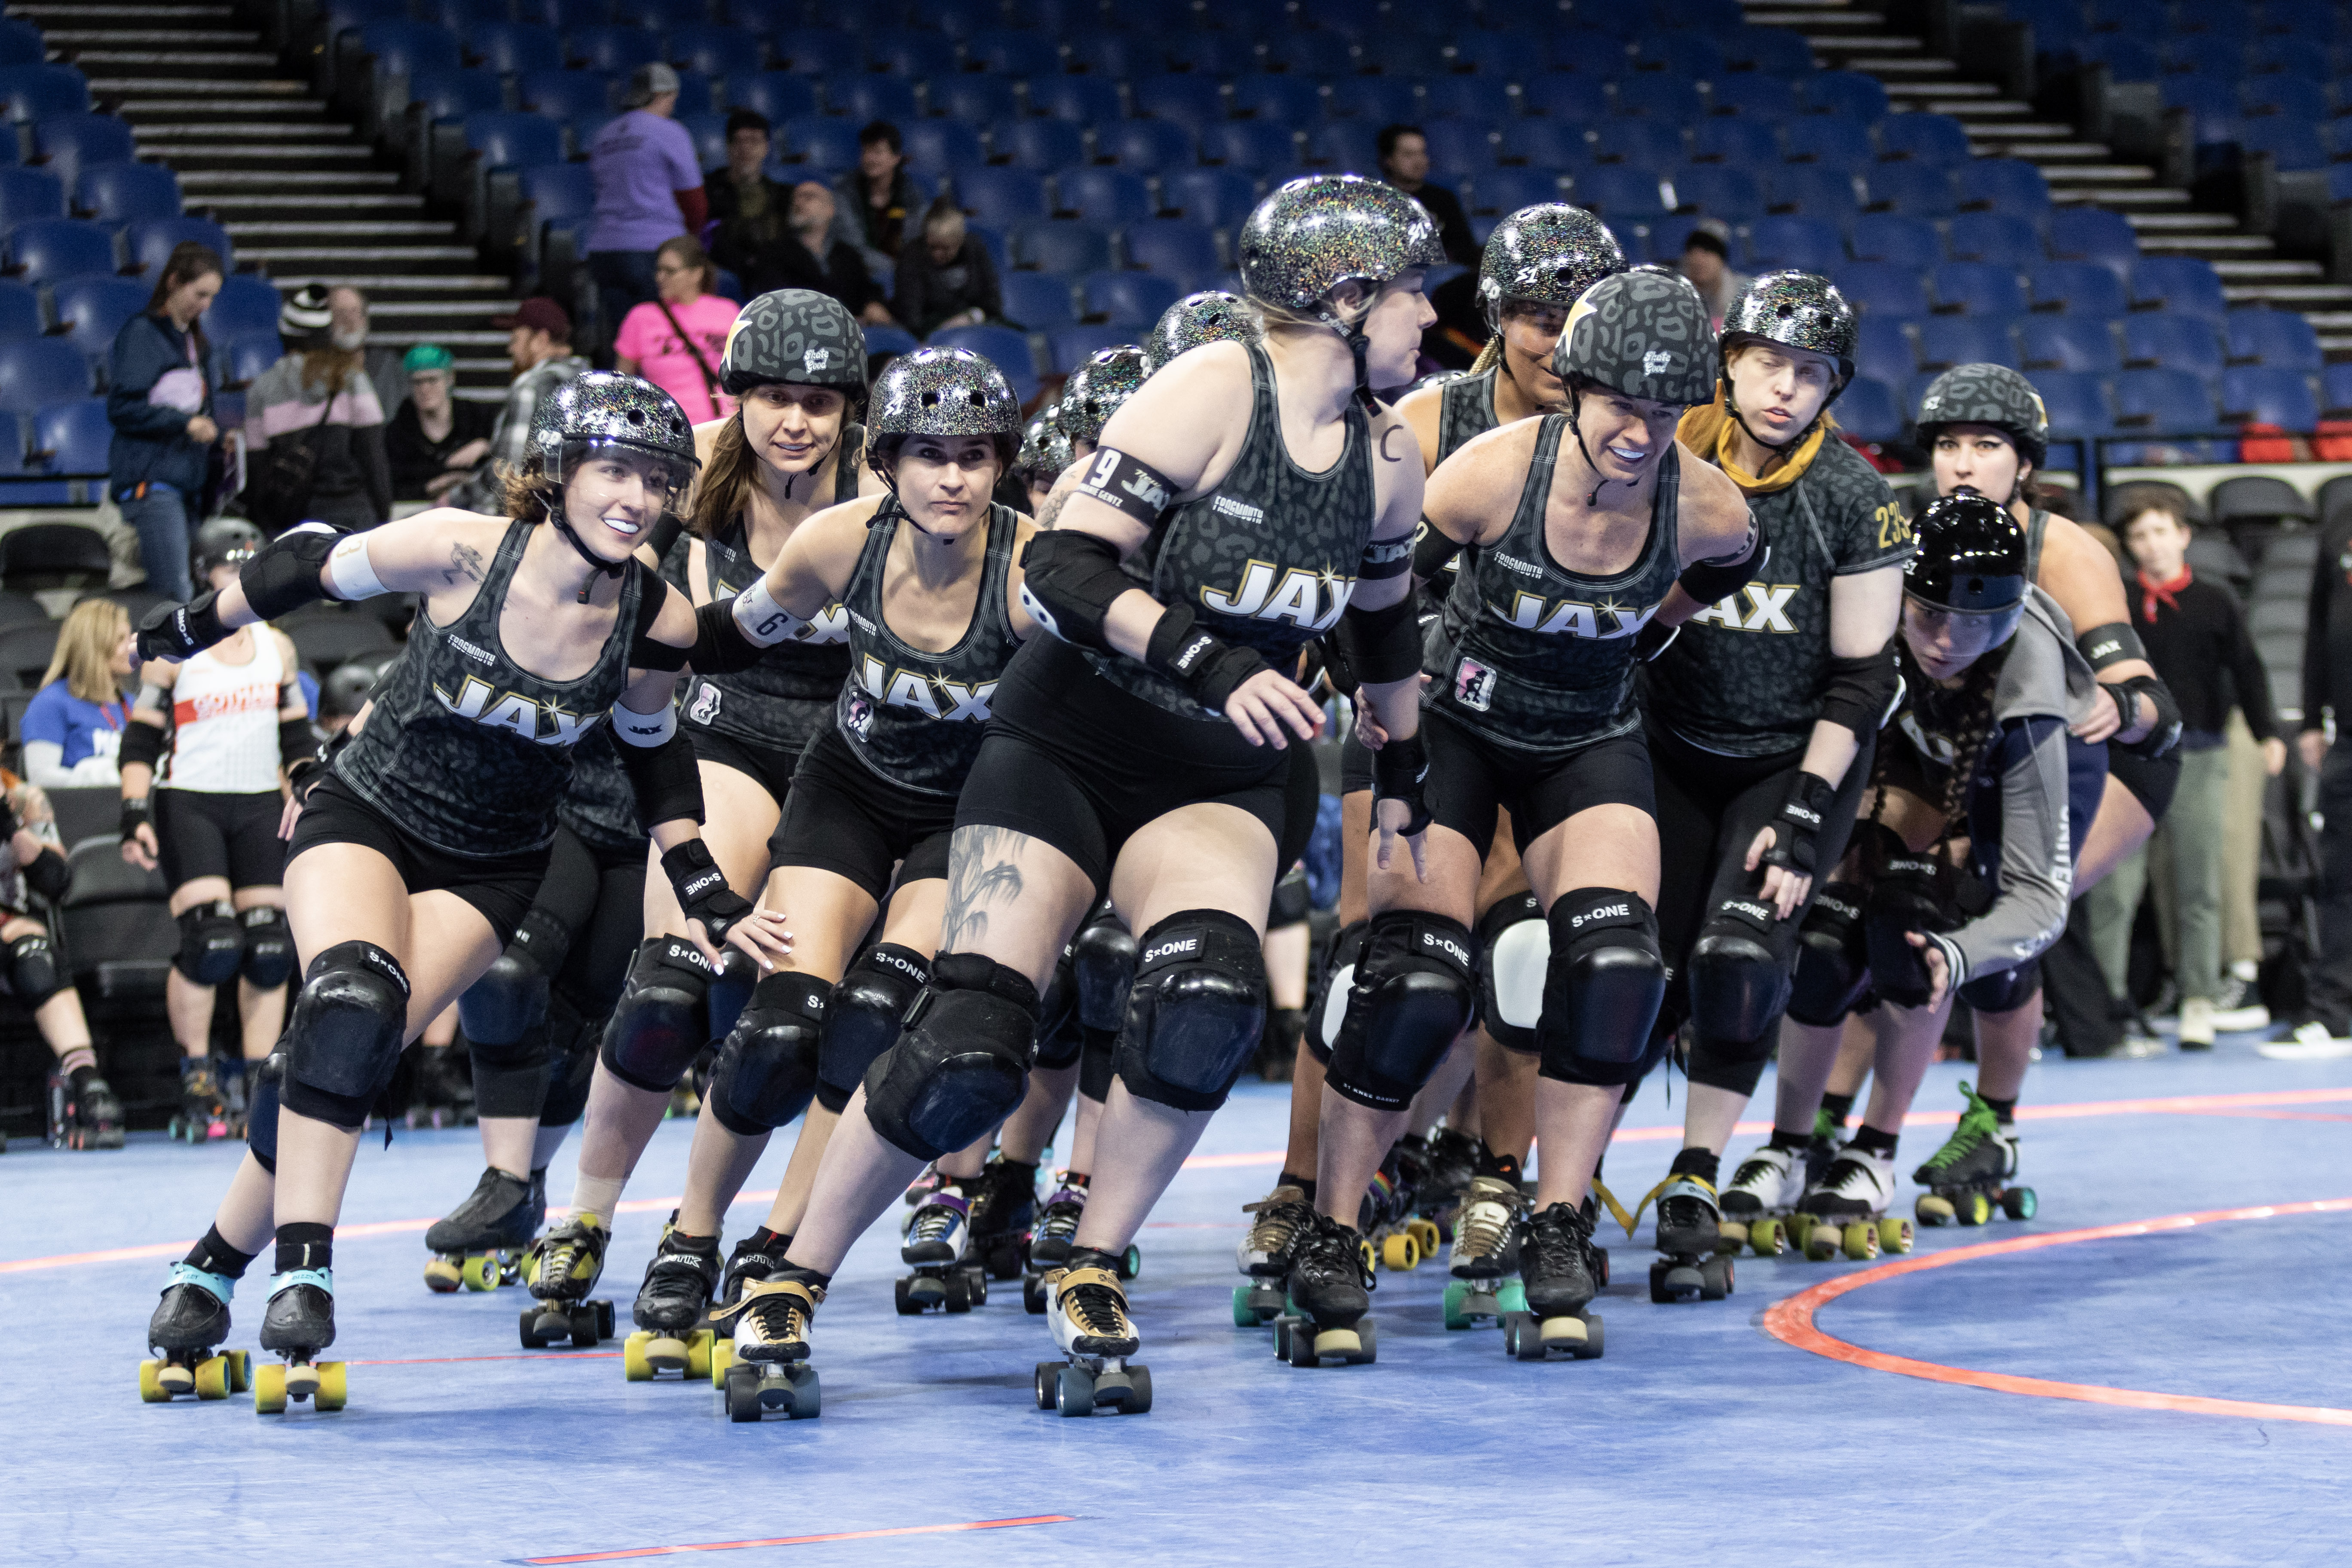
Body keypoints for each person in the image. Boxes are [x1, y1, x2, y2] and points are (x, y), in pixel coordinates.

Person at [729, 175, 1434, 1407]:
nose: (1431, 317)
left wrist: (1410, 773)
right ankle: (793, 1274)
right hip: (1072, 741)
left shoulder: (1385, 457)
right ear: (1346, 297)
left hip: (1217, 775)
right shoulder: (1218, 386)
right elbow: (1058, 559)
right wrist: (1210, 658)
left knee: (1208, 993)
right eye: (1416, 291)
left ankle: (1093, 1264)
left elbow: (1384, 631)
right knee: (971, 1036)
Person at [132, 371, 789, 1412]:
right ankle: (305, 1267)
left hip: (493, 867)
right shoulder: (459, 548)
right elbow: (309, 565)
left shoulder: (650, 614)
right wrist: (188, 625)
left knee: (342, 1052)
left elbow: (656, 748)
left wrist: (703, 885)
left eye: (660, 480)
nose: (635, 496)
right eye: (615, 469)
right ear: (562, 470)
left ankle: (208, 1267)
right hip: (368, 814)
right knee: (350, 996)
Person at [1296, 266, 1754, 1360]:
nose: (1639, 435)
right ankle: (1329, 1229)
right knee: (1413, 972)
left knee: (1613, 964)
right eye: (1618, 409)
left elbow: (1736, 563)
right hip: (1452, 723)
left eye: (1661, 413)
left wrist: (1647, 629)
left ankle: (1556, 1219)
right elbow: (1375, 596)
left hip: (1585, 736)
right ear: (1574, 392)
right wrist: (1387, 732)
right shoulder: (1489, 476)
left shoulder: (1705, 502)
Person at [1241, 205, 1626, 1304]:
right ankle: (1303, 1186)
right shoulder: (1425, 416)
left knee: (1524, 956)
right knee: (1375, 956)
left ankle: (1494, 1175)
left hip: (1553, 726)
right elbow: (1337, 560)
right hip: (1420, 722)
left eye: (1576, 317)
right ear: (1498, 320)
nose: (1556, 340)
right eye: (1535, 316)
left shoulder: (1633, 434)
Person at [633, 348, 1041, 1382]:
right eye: (929, 457)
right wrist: (604, 609)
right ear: (888, 463)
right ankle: (689, 1234)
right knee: (783, 1023)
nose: (951, 480)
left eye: (973, 458)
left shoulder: (1035, 574)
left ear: (1001, 467)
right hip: (848, 792)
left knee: (872, 1020)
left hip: (961, 817)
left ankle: (778, 1254)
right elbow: (722, 639)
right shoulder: (835, 541)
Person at [546, 290, 874, 1334]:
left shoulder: (887, 483)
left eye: (818, 404)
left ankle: (756, 1243)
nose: (794, 423)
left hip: (851, 758)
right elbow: (543, 566)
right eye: (774, 398)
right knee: (670, 985)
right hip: (726, 736)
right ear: (736, 398)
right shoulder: (683, 470)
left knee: (815, 1022)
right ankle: (583, 1218)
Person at [1629, 273, 1908, 1292]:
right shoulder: (1659, 461)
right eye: (1767, 365)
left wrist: (1799, 820)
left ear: (1831, 389)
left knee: (1739, 952)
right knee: (1621, 968)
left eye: (1809, 373)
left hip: (1792, 762)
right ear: (1728, 365)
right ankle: (1545, 1187)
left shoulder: (1854, 499)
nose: (1784, 389)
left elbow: (1860, 676)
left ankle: (1696, 1172)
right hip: (1664, 748)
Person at [1763, 494, 2096, 1252]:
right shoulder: (1868, 602)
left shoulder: (2030, 680)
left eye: (1978, 621)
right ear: (1901, 598)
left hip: (2051, 756)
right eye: (1931, 618)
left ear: (2010, 616)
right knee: (1837, 934)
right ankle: (1808, 1128)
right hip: (1927, 751)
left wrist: (1957, 952)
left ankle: (1987, 1124)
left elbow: (2039, 898)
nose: (1949, 640)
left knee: (1966, 939)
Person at [118, 519, 306, 1145]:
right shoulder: (182, 645)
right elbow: (142, 737)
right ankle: (197, 1074)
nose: (240, 577)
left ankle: (261, 1081)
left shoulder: (278, 646)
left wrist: (305, 787)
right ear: (207, 574)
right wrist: (133, 813)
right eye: (229, 568)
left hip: (257, 800)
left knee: (271, 949)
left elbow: (297, 736)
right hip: (189, 801)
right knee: (211, 943)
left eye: (249, 567)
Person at [2076, 496, 2284, 1048]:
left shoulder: (2215, 601)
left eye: (2161, 533)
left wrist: (2269, 734)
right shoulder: (2112, 604)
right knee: (2115, 886)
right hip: (2129, 757)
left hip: (2202, 752)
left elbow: (2247, 669)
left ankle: (2199, 996)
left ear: (2184, 536)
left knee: (2200, 882)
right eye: (2141, 537)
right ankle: (2105, 1004)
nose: (2152, 545)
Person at [2, 770, 115, 1147]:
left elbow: (57, 880)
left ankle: (87, 1083)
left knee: (38, 959)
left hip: (9, 921)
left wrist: (11, 830)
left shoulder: (25, 798)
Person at [106, 241, 224, 602]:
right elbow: (123, 408)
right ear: (174, 282)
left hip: (185, 487)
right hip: (153, 485)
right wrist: (185, 424)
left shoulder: (194, 343)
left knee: (189, 595)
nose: (204, 305)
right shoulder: (143, 334)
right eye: (199, 293)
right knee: (175, 597)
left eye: (211, 298)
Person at [243, 284, 392, 532]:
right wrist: (385, 517)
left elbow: (257, 471)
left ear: (285, 335)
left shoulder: (261, 389)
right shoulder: (353, 379)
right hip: (355, 518)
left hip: (294, 523)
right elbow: (374, 458)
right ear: (326, 334)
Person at [585, 63, 707, 352]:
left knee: (623, 343)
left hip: (605, 250)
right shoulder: (669, 132)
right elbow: (693, 198)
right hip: (653, 250)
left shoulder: (605, 135)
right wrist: (692, 239)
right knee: (658, 342)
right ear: (665, 95)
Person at [2290, 490, 2352, 1056]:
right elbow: (2314, 622)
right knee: (2340, 876)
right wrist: (2312, 719)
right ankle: (2336, 1012)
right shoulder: (2341, 518)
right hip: (2348, 735)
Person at [450, 299, 587, 513]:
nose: (510, 349)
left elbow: (508, 477)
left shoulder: (530, 386)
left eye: (516, 339)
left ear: (540, 340)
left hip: (528, 525)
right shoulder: (588, 384)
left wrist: (453, 498)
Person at [613, 235, 741, 424]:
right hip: (667, 429)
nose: (660, 278)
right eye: (658, 270)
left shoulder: (727, 310)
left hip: (723, 426)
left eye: (670, 271)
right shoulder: (641, 317)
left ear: (697, 274)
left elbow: (745, 371)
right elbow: (621, 384)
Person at [20, 599, 132, 788]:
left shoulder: (132, 704)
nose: (131, 647)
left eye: (130, 638)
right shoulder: (51, 703)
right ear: (94, 646)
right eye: (121, 639)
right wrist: (98, 777)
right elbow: (40, 778)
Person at [384, 345, 495, 502]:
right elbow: (391, 487)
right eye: (417, 382)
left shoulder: (479, 418)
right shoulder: (397, 433)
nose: (425, 389)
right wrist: (441, 483)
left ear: (450, 378)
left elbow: (508, 461)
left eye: (432, 380)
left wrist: (485, 446)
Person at [893, 198, 1001, 339]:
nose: (937, 254)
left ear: (960, 241)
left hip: (977, 324)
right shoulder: (912, 256)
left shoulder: (975, 249)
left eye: (945, 248)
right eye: (932, 247)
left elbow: (993, 302)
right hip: (931, 330)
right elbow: (912, 317)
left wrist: (971, 317)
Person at [1375, 124, 1477, 265]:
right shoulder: (1376, 202)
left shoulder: (1443, 198)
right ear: (1388, 160)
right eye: (1409, 155)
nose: (1419, 162)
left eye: (1422, 153)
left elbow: (1465, 249)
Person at [832, 120, 920, 282]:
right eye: (866, 152)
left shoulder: (911, 194)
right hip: (859, 274)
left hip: (905, 274)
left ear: (896, 158)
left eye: (877, 152)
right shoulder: (845, 192)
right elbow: (853, 246)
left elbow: (915, 241)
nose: (869, 159)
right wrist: (895, 267)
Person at [328, 286, 407, 422]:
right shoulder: (316, 369)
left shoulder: (388, 365)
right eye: (341, 313)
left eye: (355, 311)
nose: (349, 320)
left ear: (365, 319)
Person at [1679, 224, 1748, 327]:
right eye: (1692, 254)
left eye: (1706, 253)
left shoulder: (1744, 291)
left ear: (1721, 261)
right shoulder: (1679, 297)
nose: (1698, 261)